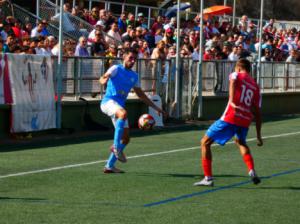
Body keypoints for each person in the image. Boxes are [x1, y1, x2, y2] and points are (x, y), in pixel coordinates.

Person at [194, 58, 263, 187]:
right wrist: (259, 135)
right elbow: (258, 113)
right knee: (241, 142)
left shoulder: (236, 74)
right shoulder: (255, 86)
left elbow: (232, 80)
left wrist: (231, 100)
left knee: (205, 142)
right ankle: (252, 170)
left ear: (238, 68)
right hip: (245, 120)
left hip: (231, 117)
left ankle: (208, 178)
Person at [99, 48, 166, 173]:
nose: (133, 60)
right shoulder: (116, 68)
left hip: (119, 107)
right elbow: (104, 77)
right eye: (130, 58)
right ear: (124, 57)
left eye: (135, 59)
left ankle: (109, 165)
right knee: (123, 113)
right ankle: (115, 147)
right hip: (107, 103)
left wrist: (156, 108)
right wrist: (103, 80)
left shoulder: (134, 76)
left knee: (126, 139)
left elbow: (141, 95)